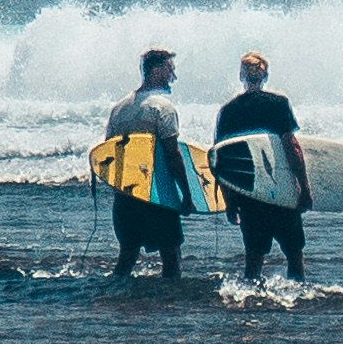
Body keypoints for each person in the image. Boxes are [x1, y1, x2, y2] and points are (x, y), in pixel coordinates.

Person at [213, 50, 308, 282]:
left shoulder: (228, 111)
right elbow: (292, 148)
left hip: (250, 193)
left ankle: (249, 303)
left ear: (241, 76)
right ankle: (301, 301)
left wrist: (230, 201)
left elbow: (222, 161)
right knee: (294, 254)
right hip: (281, 191)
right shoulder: (278, 104)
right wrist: (304, 188)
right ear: (264, 76)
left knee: (253, 259)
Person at [101, 46, 193, 280]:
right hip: (156, 196)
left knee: (127, 257)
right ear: (156, 70)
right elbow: (172, 156)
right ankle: (168, 306)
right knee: (171, 257)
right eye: (170, 70)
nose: (174, 76)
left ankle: (117, 302)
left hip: (126, 197)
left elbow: (110, 154)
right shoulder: (162, 108)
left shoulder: (119, 109)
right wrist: (187, 194)